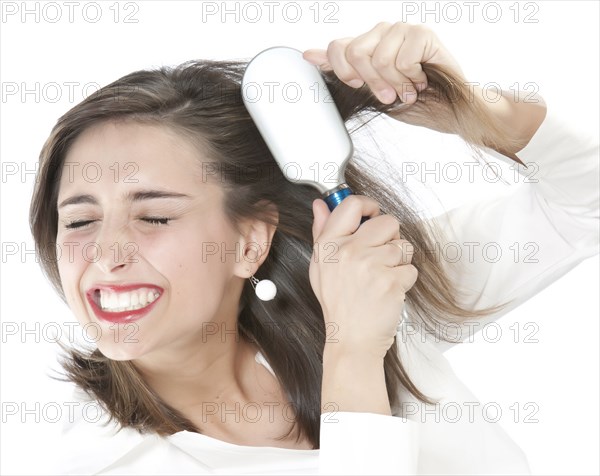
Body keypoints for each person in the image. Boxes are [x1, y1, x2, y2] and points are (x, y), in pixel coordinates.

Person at [29, 22, 598, 474]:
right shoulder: (87, 462)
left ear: (250, 242)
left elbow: (584, 205)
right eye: (79, 221)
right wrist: (352, 354)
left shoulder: (357, 287)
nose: (106, 256)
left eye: (153, 215)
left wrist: (483, 116)